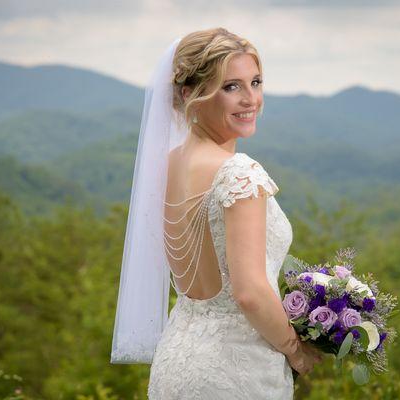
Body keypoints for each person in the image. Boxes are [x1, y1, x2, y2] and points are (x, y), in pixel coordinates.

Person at [110, 27, 323, 399]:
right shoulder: (239, 172)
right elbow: (250, 293)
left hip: (176, 360)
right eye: (231, 87)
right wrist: (296, 351)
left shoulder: (165, 166)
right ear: (189, 95)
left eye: (255, 82)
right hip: (237, 370)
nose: (250, 99)